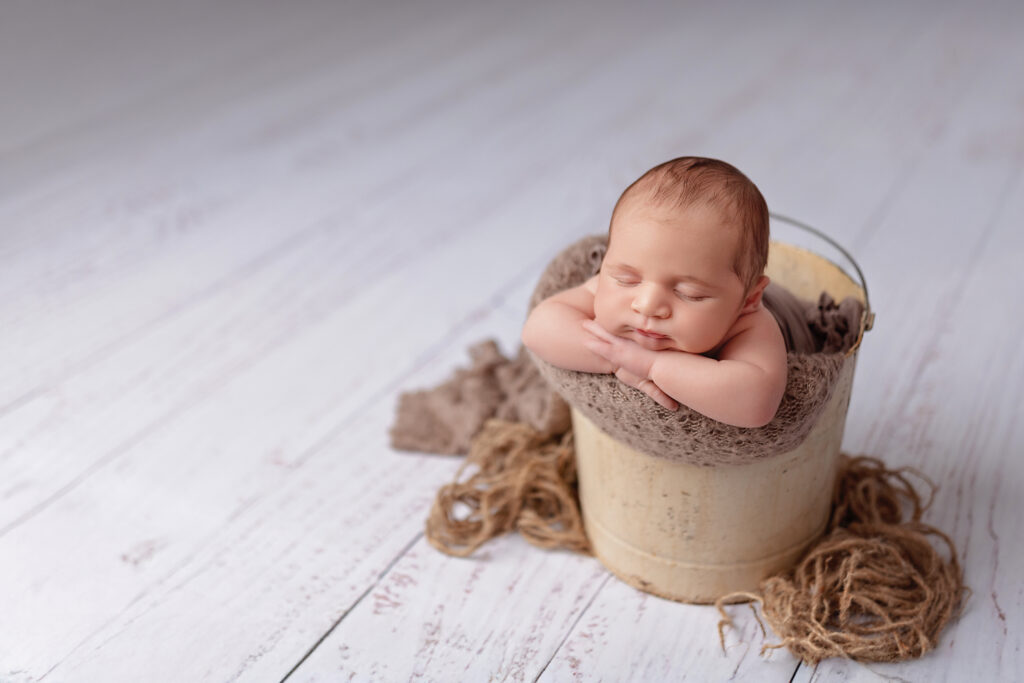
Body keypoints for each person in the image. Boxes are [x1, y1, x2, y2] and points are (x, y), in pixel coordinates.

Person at [521, 157, 787, 428]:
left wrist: (651, 365)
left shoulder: (748, 324)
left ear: (749, 299)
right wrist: (618, 358)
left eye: (689, 293)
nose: (647, 305)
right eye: (628, 279)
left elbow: (756, 403)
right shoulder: (608, 286)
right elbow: (538, 328)